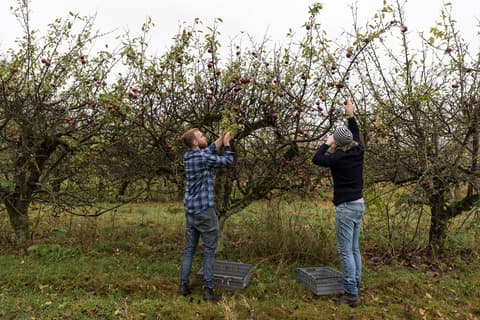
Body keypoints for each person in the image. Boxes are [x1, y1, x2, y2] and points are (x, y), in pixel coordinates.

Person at [312, 100, 365, 307]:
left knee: (345, 251)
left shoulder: (337, 158)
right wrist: (350, 115)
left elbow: (316, 158)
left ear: (338, 143)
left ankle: (350, 293)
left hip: (346, 207)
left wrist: (327, 142)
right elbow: (355, 132)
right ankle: (356, 283)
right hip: (359, 204)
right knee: (354, 248)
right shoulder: (358, 150)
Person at [178, 128, 234, 302]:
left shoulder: (188, 156)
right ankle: (208, 290)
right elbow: (227, 160)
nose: (205, 137)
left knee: (190, 249)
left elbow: (209, 149)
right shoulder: (202, 158)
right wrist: (227, 144)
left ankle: (183, 285)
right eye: (201, 136)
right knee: (209, 250)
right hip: (204, 211)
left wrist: (220, 137)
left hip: (191, 211)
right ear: (195, 142)